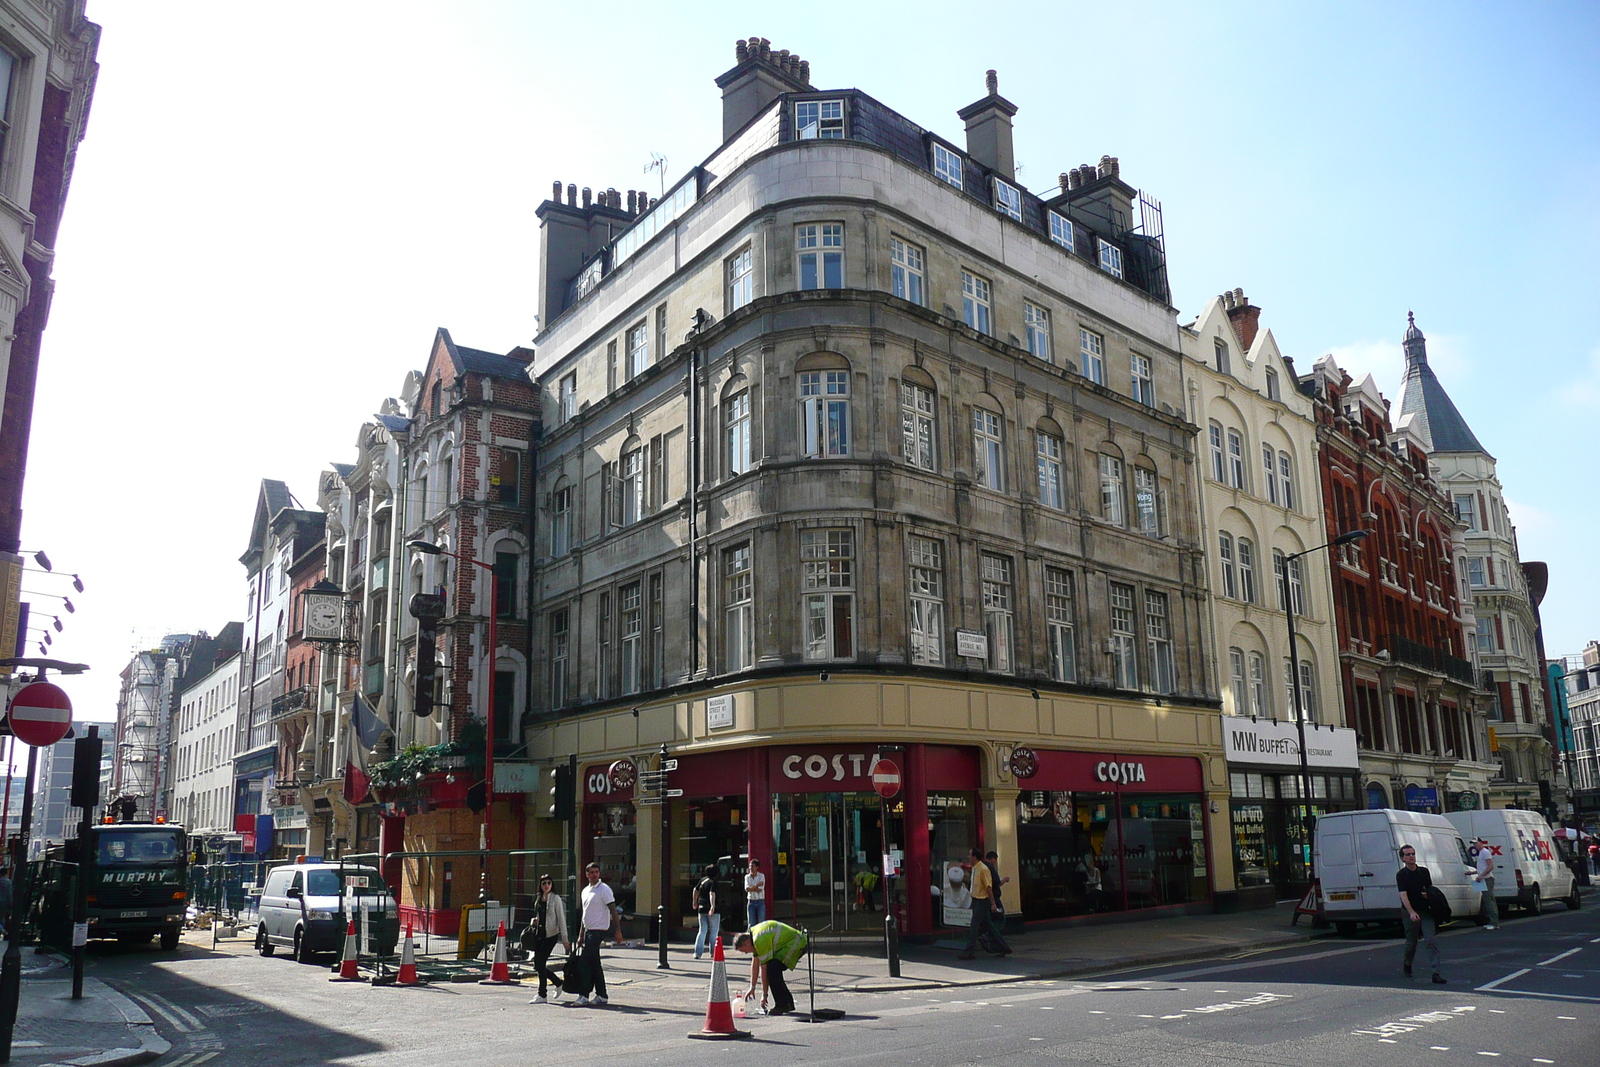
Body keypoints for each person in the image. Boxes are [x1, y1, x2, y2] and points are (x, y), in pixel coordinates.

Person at [734, 920, 808, 1016]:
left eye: (744, 951)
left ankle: (783, 1004)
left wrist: (764, 995)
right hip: (794, 942)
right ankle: (788, 1002)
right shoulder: (754, 934)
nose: (746, 953)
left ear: (747, 942)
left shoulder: (759, 940)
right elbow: (755, 964)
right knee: (774, 968)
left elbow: (764, 969)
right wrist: (752, 987)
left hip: (797, 944)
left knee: (772, 969)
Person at [1396, 843, 1446, 984]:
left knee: (1431, 940)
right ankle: (1407, 964)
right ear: (1403, 858)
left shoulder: (1424, 872)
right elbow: (1403, 895)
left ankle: (1436, 973)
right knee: (1411, 942)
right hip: (1410, 911)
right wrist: (1411, 912)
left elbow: (1429, 890)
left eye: (1413, 854)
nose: (1411, 857)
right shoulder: (1401, 875)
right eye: (1408, 854)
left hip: (1425, 911)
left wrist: (1430, 898)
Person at [576, 863, 620, 1006]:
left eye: (596, 872)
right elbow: (585, 914)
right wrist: (581, 934)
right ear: (587, 874)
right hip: (588, 930)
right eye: (592, 872)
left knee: (585, 962)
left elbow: (613, 910)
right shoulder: (585, 891)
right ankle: (602, 995)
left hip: (599, 930)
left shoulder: (604, 890)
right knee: (595, 964)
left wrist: (618, 931)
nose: (594, 874)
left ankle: (583, 995)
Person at [524, 874, 571, 1005]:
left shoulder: (556, 899)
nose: (546, 885)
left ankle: (549, 988)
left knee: (539, 964)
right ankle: (546, 992)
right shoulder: (539, 898)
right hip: (539, 934)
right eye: (544, 883)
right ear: (540, 885)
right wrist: (534, 921)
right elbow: (539, 914)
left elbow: (561, 919)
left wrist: (565, 939)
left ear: (552, 884)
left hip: (551, 936)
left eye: (549, 883)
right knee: (538, 965)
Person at [957, 847, 1010, 960]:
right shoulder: (975, 868)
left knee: (974, 925)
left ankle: (969, 951)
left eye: (970, 854)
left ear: (975, 857)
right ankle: (1004, 947)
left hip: (982, 901)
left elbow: (989, 887)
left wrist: (993, 904)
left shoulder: (983, 869)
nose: (968, 856)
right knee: (989, 926)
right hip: (976, 900)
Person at [1470, 837, 1499, 931]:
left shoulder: (1485, 852)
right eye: (1474, 844)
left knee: (1488, 901)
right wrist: (1473, 873)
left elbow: (1491, 866)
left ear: (1481, 842)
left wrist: (1481, 876)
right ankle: (1492, 921)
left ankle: (1494, 922)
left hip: (1487, 879)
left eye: (1476, 843)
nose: (1475, 845)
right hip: (1484, 879)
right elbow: (1483, 867)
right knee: (1487, 900)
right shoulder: (1481, 853)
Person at [692, 864, 720, 960]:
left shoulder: (703, 880)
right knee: (713, 931)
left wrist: (694, 901)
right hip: (711, 909)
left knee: (702, 930)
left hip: (701, 906)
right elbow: (712, 894)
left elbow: (695, 890)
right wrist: (712, 906)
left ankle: (697, 953)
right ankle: (713, 952)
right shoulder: (714, 882)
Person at [744, 859, 766, 929]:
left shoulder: (761, 876)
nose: (751, 868)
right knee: (751, 923)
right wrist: (757, 885)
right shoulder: (747, 877)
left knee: (761, 922)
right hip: (751, 901)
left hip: (760, 901)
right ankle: (750, 938)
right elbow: (747, 889)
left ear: (757, 867)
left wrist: (752, 888)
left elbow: (760, 889)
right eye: (750, 866)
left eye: (752, 866)